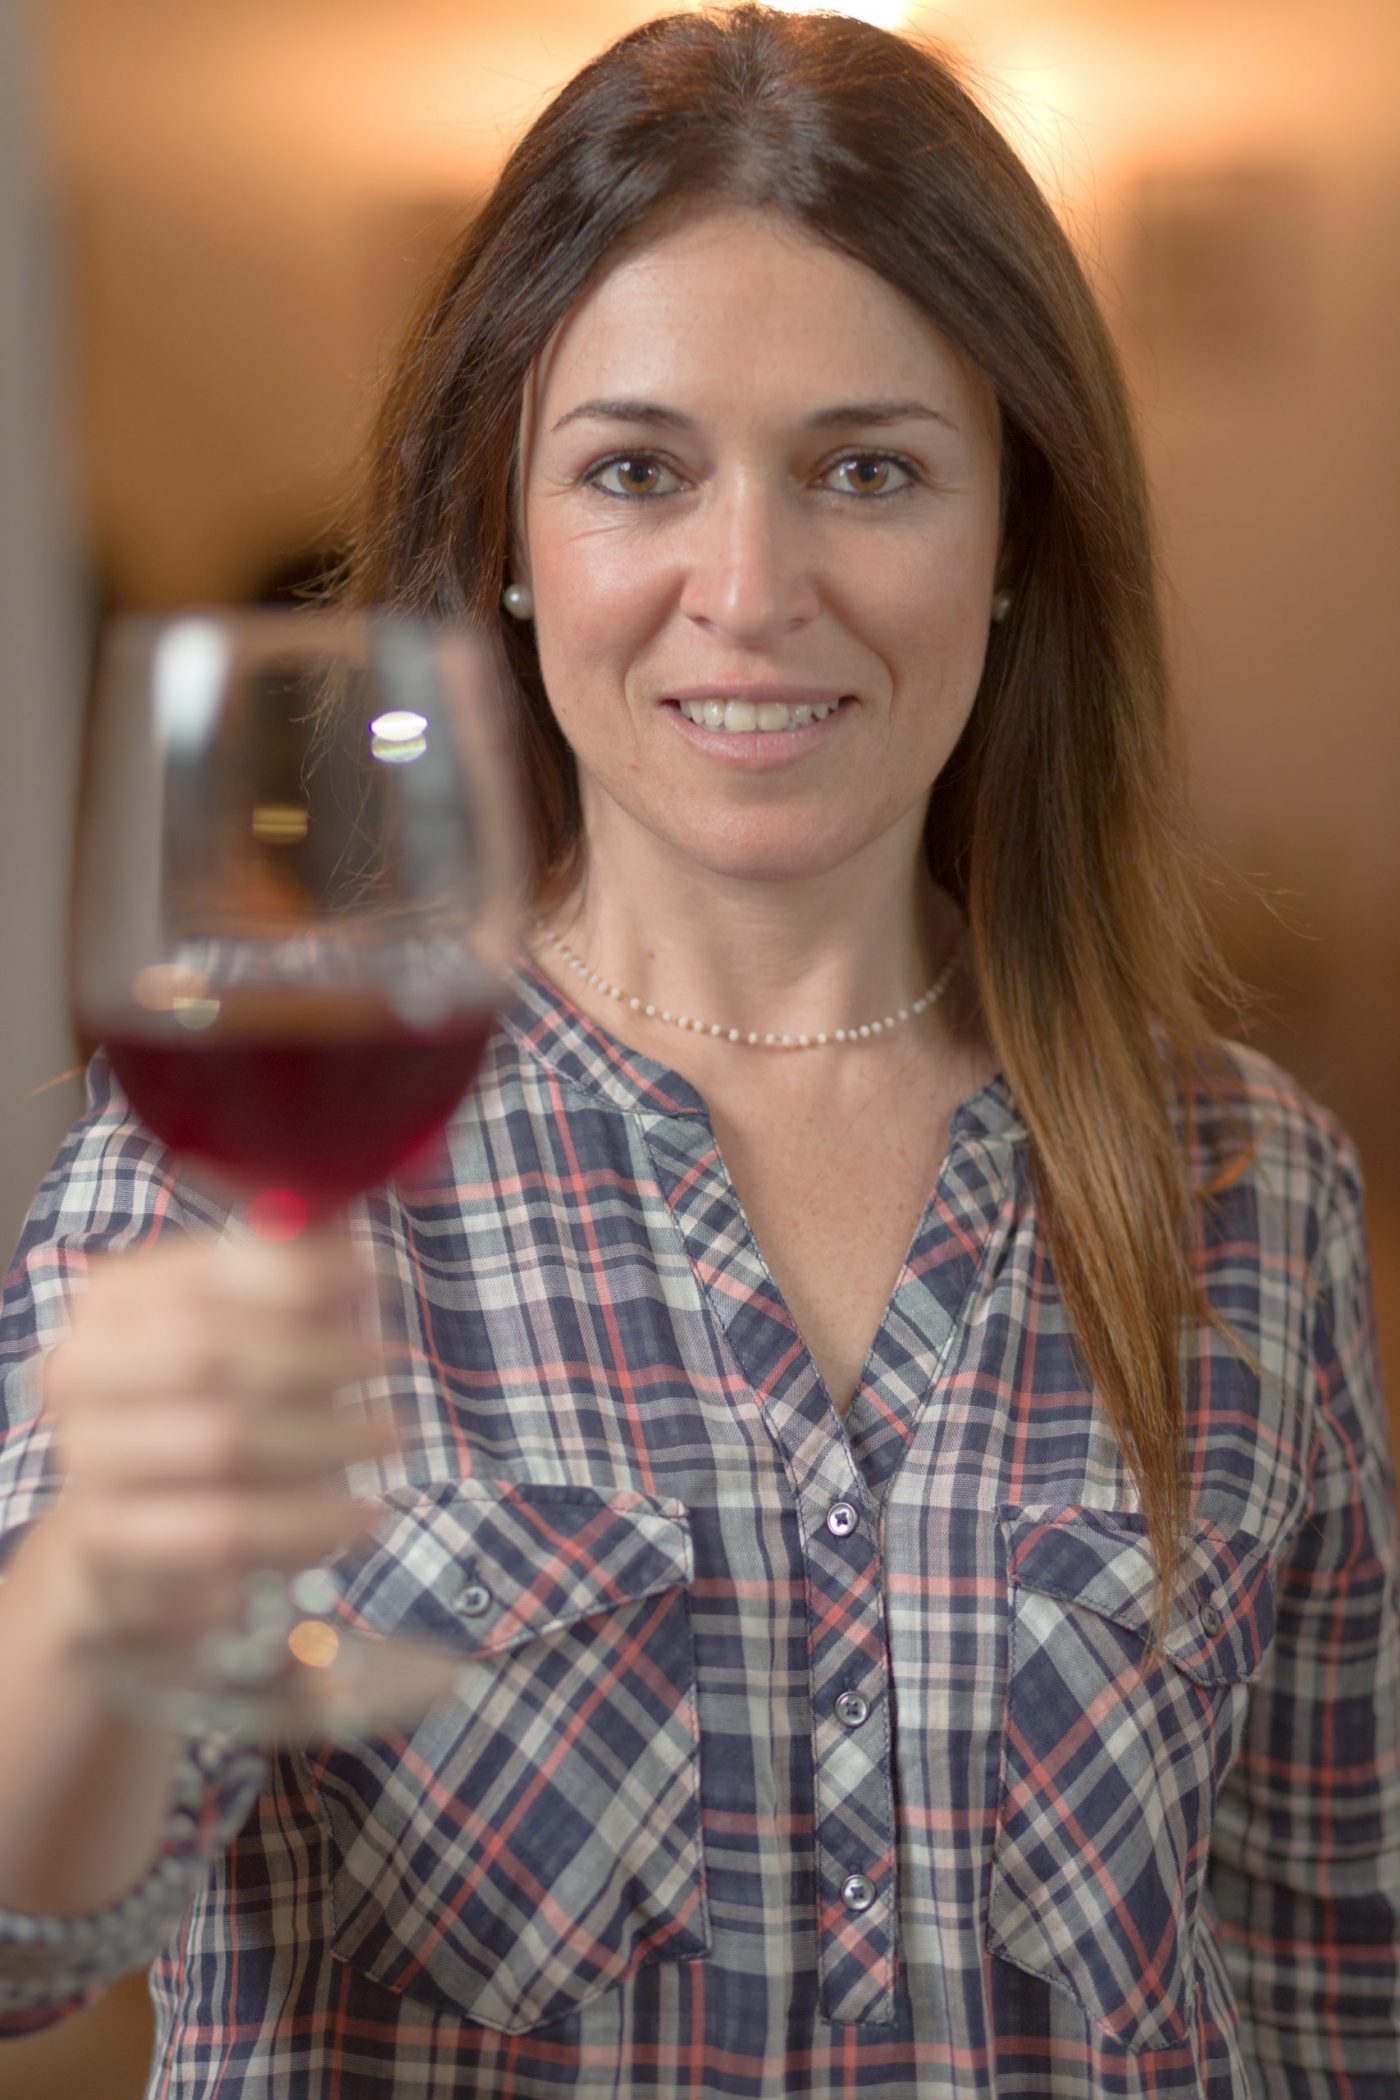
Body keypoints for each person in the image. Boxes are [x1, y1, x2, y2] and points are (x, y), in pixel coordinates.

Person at [1, 6, 1396, 2094]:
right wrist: (100, 1585)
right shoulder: (230, 1169)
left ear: (1017, 539)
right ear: (508, 535)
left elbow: (1327, 1979)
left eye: (868, 470)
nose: (747, 590)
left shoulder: (1253, 1189)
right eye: (637, 470)